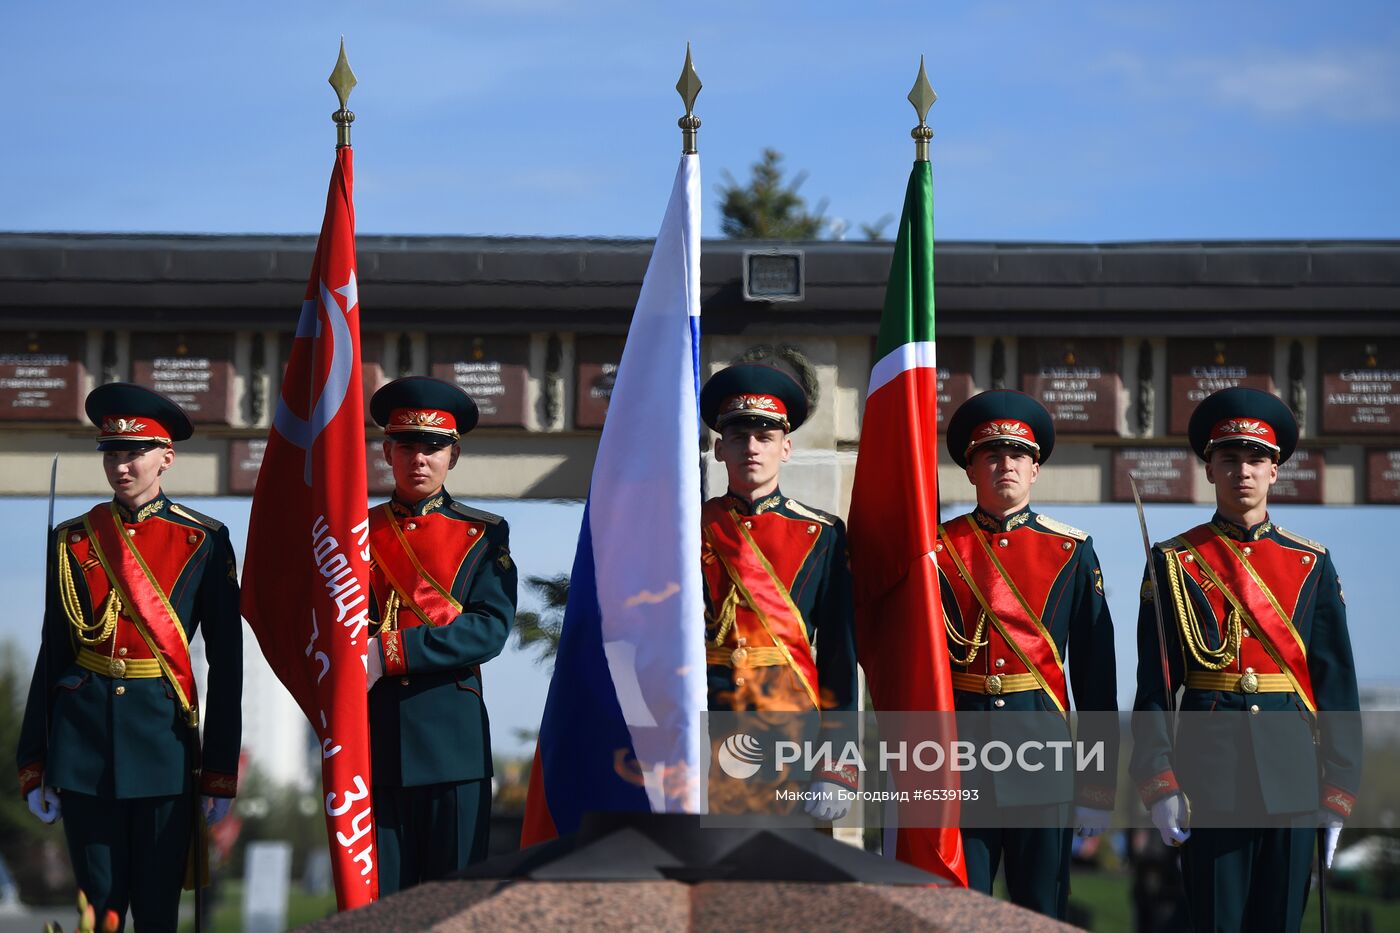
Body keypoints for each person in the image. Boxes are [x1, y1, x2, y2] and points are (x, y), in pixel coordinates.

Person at [1131, 386, 1359, 932]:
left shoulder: (1312, 564)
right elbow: (1155, 688)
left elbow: (1337, 686)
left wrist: (1339, 790)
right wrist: (1159, 781)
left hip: (1294, 782)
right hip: (1209, 782)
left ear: (1275, 471)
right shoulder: (1173, 561)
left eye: (1256, 459)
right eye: (1228, 459)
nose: (1243, 471)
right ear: (1209, 469)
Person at [15, 383, 241, 932]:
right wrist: (35, 762)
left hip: (162, 746)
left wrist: (218, 773)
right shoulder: (73, 540)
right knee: (99, 911)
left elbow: (227, 666)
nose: (122, 465)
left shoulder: (205, 541)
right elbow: (54, 654)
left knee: (157, 913)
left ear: (166, 457)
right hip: (82, 747)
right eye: (112, 453)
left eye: (135, 452)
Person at [937, 390, 1118, 918]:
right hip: (958, 758)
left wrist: (1098, 783)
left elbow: (1095, 679)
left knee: (1040, 909)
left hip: (1043, 757)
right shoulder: (939, 548)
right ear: (970, 469)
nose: (1005, 464)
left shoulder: (1072, 550)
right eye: (990, 454)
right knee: (960, 910)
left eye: (1017, 455)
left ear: (1035, 469)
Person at [364, 376, 516, 893]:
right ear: (387, 451)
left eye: (433, 447)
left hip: (453, 747)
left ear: (454, 455)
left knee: (450, 905)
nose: (419, 459)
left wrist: (390, 651)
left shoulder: (483, 533)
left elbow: (489, 630)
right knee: (381, 910)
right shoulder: (355, 534)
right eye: (407, 446)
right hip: (375, 745)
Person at [699, 363, 858, 818]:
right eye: (738, 436)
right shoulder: (686, 527)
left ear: (785, 448)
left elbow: (839, 659)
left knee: (792, 882)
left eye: (765, 437)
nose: (752, 447)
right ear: (719, 448)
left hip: (795, 733)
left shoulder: (823, 534)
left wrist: (837, 765)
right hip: (707, 731)